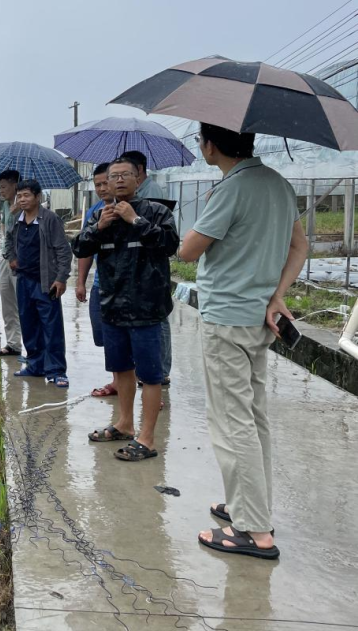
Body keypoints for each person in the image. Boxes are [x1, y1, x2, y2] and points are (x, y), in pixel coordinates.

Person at [178, 124, 305, 560]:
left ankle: (254, 531)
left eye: (201, 141)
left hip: (227, 319)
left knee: (233, 423)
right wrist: (277, 294)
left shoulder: (231, 189)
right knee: (254, 417)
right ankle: (248, 507)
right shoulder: (279, 185)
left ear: (211, 145)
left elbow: (188, 251)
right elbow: (299, 247)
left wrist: (210, 208)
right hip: (257, 318)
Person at [73, 158, 178, 461]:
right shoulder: (101, 216)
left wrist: (135, 220)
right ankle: (124, 423)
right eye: (112, 177)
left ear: (137, 179)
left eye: (124, 176)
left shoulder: (156, 212)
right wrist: (99, 227)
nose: (117, 181)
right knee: (121, 369)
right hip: (113, 306)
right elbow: (79, 247)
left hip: (146, 308)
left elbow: (170, 245)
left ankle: (146, 438)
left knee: (151, 375)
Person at [5, 179, 72, 387]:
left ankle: (57, 370)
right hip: (23, 279)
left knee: (51, 326)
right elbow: (8, 239)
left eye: (26, 195)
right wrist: (11, 257)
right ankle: (35, 365)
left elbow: (63, 250)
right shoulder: (16, 218)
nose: (22, 200)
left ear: (38, 197)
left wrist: (61, 278)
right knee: (29, 324)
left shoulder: (49, 219)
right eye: (20, 196)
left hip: (45, 282)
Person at [121, 149, 173, 388]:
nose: (121, 179)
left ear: (139, 171)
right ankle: (151, 370)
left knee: (157, 321)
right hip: (138, 268)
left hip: (151, 268)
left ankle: (160, 371)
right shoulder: (135, 195)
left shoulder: (151, 194)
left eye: (126, 172)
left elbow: (158, 237)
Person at [75, 162, 115, 395]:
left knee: (131, 338)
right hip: (101, 284)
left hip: (127, 288)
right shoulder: (94, 212)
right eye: (97, 184)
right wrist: (81, 281)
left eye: (105, 183)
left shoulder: (132, 210)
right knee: (106, 338)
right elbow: (85, 248)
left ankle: (148, 386)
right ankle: (117, 380)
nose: (101, 188)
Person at [0, 169, 22, 357]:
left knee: (24, 303)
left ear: (15, 185)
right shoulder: (6, 206)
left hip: (21, 261)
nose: (1, 191)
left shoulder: (25, 204)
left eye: (4, 187)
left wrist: (17, 214)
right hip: (6, 258)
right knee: (7, 302)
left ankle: (35, 349)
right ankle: (13, 343)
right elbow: (5, 232)